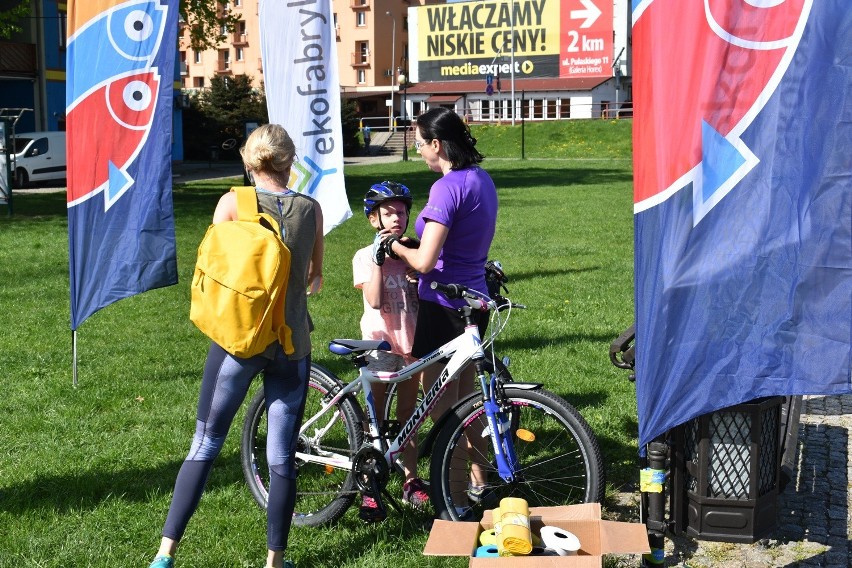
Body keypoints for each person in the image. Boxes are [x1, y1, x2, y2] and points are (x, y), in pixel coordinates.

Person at [149, 124, 324, 568]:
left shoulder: (231, 202)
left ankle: (166, 554)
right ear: (290, 162)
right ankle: (275, 560)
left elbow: (216, 272)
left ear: (249, 162)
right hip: (292, 342)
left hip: (239, 341)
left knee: (205, 444)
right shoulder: (311, 209)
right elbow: (312, 280)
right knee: (282, 453)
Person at [382, 107, 498, 510]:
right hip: (475, 301)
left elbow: (426, 262)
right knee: (472, 402)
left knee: (441, 405)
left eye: (419, 145)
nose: (418, 152)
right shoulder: (481, 180)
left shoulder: (446, 188)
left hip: (443, 304)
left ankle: (449, 492)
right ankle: (480, 485)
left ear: (437, 145)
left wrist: (393, 245)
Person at [351, 181, 423, 521]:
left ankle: (411, 480)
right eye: (389, 212)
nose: (397, 217)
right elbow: (375, 300)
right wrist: (380, 261)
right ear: (374, 219)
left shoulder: (413, 253)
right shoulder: (365, 257)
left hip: (411, 344)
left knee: (410, 417)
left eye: (402, 211)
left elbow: (428, 298)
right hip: (381, 343)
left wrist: (418, 278)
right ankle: (370, 487)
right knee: (374, 421)